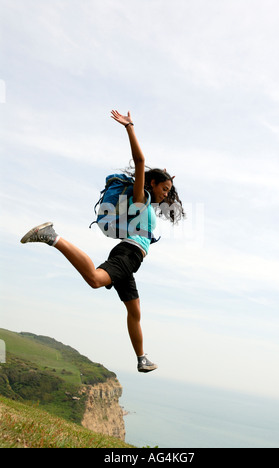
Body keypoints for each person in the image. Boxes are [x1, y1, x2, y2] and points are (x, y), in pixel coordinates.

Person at [20, 110, 185, 373]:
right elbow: (140, 161)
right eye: (163, 189)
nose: (166, 195)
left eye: (168, 191)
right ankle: (52, 237)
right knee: (95, 280)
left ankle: (142, 358)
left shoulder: (148, 202)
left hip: (130, 258)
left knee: (135, 312)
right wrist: (130, 127)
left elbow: (153, 178)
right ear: (151, 184)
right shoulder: (140, 197)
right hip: (128, 255)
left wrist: (163, 179)